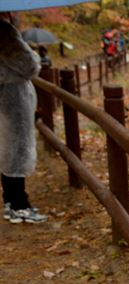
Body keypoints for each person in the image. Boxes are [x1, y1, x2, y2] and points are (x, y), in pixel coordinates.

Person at [0, 12, 47, 224]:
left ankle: (11, 200)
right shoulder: (3, 31)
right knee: (16, 148)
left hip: (4, 94)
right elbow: (29, 66)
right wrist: (36, 57)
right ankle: (19, 204)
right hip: (12, 97)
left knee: (7, 147)